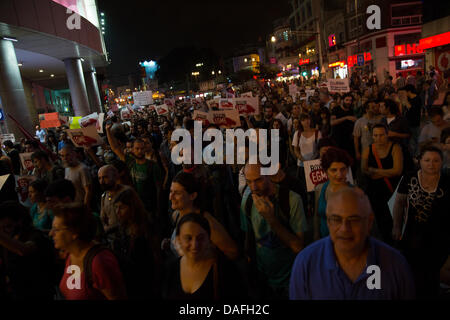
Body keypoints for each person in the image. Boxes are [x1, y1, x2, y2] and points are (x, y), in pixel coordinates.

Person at [290, 188, 415, 300]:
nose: (344, 228)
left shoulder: (396, 265)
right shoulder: (306, 263)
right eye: (336, 219)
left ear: (369, 222)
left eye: (353, 220)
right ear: (328, 222)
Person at [241, 162, 307, 299]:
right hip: (263, 277)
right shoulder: (247, 200)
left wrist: (271, 219)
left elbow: (299, 247)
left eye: (258, 180)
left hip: (291, 277)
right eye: (249, 181)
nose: (253, 187)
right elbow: (248, 235)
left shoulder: (291, 200)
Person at [393, 145, 450, 298]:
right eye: (427, 160)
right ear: (419, 161)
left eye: (436, 161)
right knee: (413, 270)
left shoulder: (447, 180)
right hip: (413, 233)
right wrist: (397, 227)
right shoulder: (409, 177)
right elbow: (399, 203)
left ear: (442, 162)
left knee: (432, 274)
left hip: (440, 235)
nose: (431, 164)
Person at [50, 204, 127, 300]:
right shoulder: (72, 254)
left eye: (56, 229)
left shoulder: (99, 263)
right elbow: (75, 290)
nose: (51, 233)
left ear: (74, 232)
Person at [162, 214, 246, 300]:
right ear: (178, 240)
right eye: (188, 238)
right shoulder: (170, 268)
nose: (195, 245)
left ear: (209, 240)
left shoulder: (226, 271)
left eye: (200, 238)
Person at [166, 171, 239, 260]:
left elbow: (233, 252)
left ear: (192, 196)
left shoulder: (205, 222)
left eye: (177, 193)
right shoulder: (176, 215)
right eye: (171, 191)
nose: (171, 197)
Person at [112, 188, 162, 299]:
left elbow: (152, 261)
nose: (117, 212)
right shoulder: (122, 229)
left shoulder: (145, 230)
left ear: (133, 208)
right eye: (116, 207)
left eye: (122, 207)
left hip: (143, 285)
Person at [0, 201, 56, 299]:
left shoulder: (35, 236)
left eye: (8, 227)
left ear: (20, 222)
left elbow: (24, 249)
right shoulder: (9, 238)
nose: (4, 232)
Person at [106, 123, 162, 215]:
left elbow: (158, 189)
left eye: (142, 148)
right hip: (134, 205)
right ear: (132, 150)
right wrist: (108, 130)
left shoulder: (153, 166)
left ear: (145, 149)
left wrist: (158, 210)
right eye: (137, 148)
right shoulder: (130, 161)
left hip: (149, 207)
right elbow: (115, 148)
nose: (140, 151)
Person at [362, 124, 403, 243]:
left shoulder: (395, 148)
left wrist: (375, 171)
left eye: (381, 135)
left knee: (392, 220)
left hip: (391, 191)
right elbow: (364, 169)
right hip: (374, 192)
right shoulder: (368, 149)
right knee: (379, 221)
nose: (378, 138)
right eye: (375, 135)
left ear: (387, 134)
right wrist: (387, 172)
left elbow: (397, 170)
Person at [314, 147, 353, 240]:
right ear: (325, 171)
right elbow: (317, 216)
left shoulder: (354, 194)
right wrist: (316, 236)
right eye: (334, 170)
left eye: (343, 169)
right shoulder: (320, 189)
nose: (339, 175)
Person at [98, 165, 131, 237]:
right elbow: (103, 217)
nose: (102, 181)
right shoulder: (104, 196)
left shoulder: (126, 193)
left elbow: (129, 218)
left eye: (105, 177)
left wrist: (109, 229)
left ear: (115, 176)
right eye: (99, 178)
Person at [331, 93, 357, 158]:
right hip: (338, 140)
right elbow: (332, 122)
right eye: (347, 100)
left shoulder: (351, 110)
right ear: (342, 100)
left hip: (349, 141)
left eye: (350, 100)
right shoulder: (336, 109)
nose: (349, 102)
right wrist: (346, 118)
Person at [398, 85, 422, 156]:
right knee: (409, 142)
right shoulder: (407, 99)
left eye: (404, 91)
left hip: (415, 123)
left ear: (408, 91)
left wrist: (405, 101)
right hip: (407, 124)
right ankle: (411, 155)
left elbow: (413, 111)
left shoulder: (417, 98)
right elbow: (402, 111)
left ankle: (417, 155)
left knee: (416, 140)